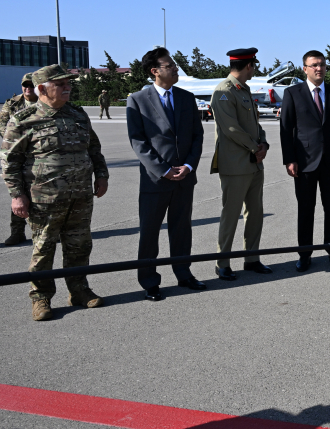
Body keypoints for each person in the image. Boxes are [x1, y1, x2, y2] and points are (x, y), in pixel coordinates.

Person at [0, 64, 109, 321]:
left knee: (80, 245)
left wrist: (102, 175)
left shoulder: (78, 115)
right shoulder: (24, 120)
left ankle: (79, 291)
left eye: (68, 83)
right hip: (44, 198)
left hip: (80, 196)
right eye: (60, 84)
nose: (67, 87)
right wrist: (17, 195)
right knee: (43, 248)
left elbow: (94, 149)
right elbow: (10, 162)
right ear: (41, 89)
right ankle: (41, 298)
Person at [126, 47, 206, 301]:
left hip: (184, 177)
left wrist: (189, 166)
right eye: (169, 65)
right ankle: (149, 281)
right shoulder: (138, 99)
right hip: (155, 179)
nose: (175, 68)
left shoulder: (186, 98)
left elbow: (197, 136)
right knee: (149, 232)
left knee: (182, 229)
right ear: (155, 71)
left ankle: (184, 273)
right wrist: (163, 170)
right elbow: (138, 142)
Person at [280, 50, 330, 272]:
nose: (318, 68)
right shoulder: (293, 93)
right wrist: (289, 159)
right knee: (305, 210)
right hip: (304, 164)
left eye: (321, 64)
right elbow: (286, 130)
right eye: (314, 65)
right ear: (305, 69)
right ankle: (304, 254)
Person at [210, 48, 272, 280]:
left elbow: (255, 126)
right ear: (249, 66)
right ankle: (222, 262)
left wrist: (264, 144)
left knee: (255, 213)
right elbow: (231, 128)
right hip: (236, 165)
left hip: (254, 163)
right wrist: (256, 148)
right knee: (231, 214)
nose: (254, 69)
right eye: (254, 65)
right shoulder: (224, 92)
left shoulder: (243, 90)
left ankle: (252, 259)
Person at [0, 73, 37, 246]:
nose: (28, 88)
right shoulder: (12, 103)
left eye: (31, 85)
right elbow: (3, 124)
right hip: (16, 153)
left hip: (37, 154)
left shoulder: (45, 101)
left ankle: (46, 232)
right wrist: (16, 141)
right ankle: (17, 232)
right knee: (18, 194)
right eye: (25, 85)